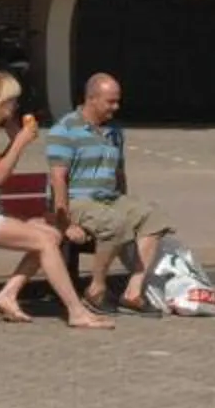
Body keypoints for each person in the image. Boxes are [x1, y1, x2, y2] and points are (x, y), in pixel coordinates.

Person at [0, 70, 109, 330]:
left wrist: (15, 136)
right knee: (44, 242)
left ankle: (7, 295)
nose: (15, 106)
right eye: (12, 101)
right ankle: (76, 311)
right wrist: (20, 142)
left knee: (50, 233)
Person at [47, 73, 174, 314]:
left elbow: (119, 172)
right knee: (114, 223)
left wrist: (125, 201)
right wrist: (65, 222)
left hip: (108, 199)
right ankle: (96, 289)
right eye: (110, 102)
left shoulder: (115, 131)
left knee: (154, 216)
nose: (116, 107)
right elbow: (58, 179)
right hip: (77, 201)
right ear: (91, 99)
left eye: (118, 101)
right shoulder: (64, 130)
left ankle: (133, 292)